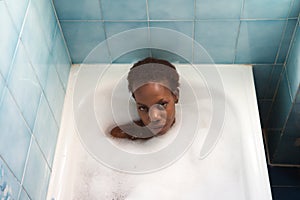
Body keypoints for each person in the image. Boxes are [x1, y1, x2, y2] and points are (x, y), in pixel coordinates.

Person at [110, 57, 180, 139]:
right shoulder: (126, 134)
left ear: (175, 96)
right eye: (143, 108)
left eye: (162, 104)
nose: (154, 117)